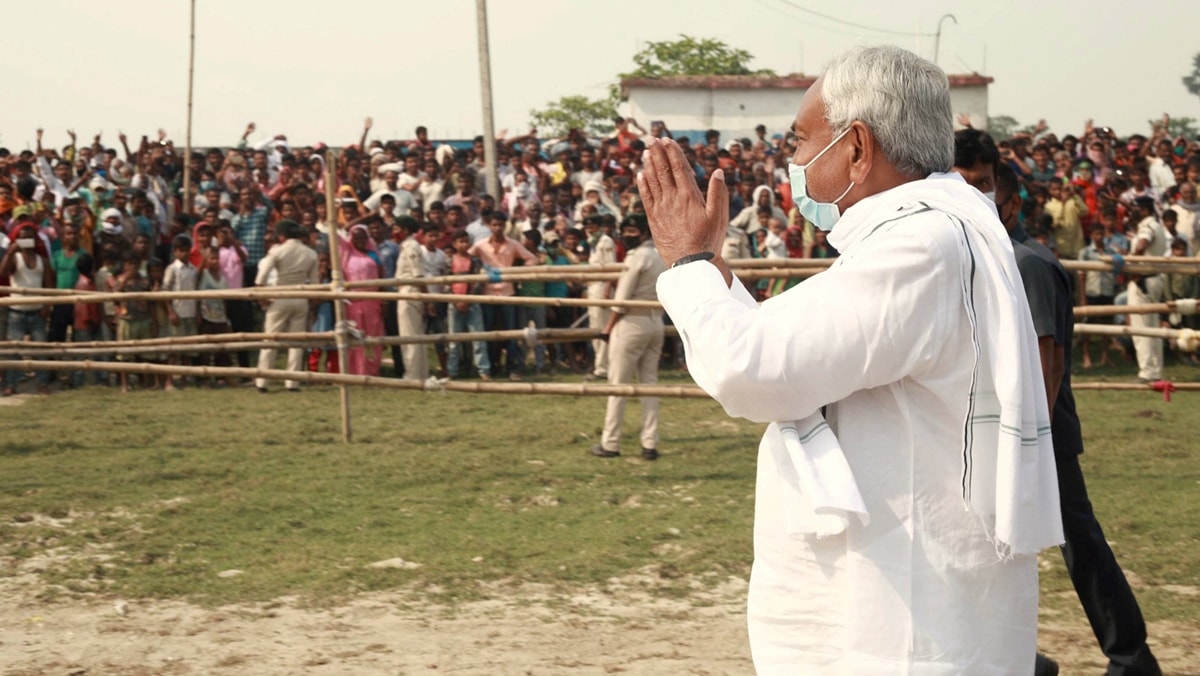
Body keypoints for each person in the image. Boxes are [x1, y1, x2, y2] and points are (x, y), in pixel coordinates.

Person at [643, 46, 1062, 673]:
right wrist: (711, 267)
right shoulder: (938, 231)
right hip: (911, 592)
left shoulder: (919, 245)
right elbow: (792, 346)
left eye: (800, 142)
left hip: (902, 614)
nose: (792, 164)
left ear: (858, 148)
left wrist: (686, 262)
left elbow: (753, 369)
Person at [988, 157, 1162, 676]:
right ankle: (1019, 658)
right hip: (1015, 432)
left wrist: (1030, 441)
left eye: (982, 189)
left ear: (1011, 204)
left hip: (1039, 436)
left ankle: (1130, 655)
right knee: (993, 547)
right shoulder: (998, 259)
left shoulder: (1027, 264)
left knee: (1079, 546)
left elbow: (1050, 362)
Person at [591, 214, 666, 461]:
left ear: (643, 232)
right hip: (656, 322)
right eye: (625, 231)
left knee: (617, 386)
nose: (627, 235)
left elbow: (621, 299)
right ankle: (650, 443)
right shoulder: (660, 255)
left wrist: (608, 328)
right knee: (650, 386)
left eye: (632, 231)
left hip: (632, 322)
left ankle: (610, 443)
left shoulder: (637, 257)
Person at [467, 210, 537, 379]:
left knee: (511, 331)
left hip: (507, 292)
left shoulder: (513, 244)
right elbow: (468, 257)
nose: (497, 228)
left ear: (505, 226)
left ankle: (513, 368)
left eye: (500, 225)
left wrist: (518, 272)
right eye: (494, 225)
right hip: (487, 292)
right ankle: (492, 366)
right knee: (489, 331)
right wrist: (478, 271)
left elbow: (531, 258)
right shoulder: (481, 245)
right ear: (489, 226)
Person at [254, 219, 319, 392]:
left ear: (281, 236)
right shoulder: (311, 253)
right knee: (296, 342)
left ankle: (263, 381)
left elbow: (261, 278)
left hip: (280, 297)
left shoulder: (277, 251)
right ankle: (293, 382)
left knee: (270, 339)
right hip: (300, 298)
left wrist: (262, 298)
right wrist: (312, 304)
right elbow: (315, 283)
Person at [1, 218, 55, 396]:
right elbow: (2, 273)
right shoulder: (14, 258)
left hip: (37, 311)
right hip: (16, 311)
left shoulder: (42, 261)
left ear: (35, 239)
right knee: (13, 351)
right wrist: (10, 252)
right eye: (22, 237)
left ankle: (42, 384)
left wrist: (47, 307)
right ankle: (11, 384)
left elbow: (49, 286)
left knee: (40, 350)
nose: (26, 240)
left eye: (29, 237)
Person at [1128, 196, 1168, 382]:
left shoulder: (1148, 226)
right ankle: (1155, 370)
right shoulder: (1156, 225)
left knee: (1141, 328)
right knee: (1152, 327)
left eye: (1136, 209)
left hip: (1143, 280)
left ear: (1144, 210)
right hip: (1153, 278)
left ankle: (1147, 372)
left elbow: (1142, 244)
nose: (1132, 212)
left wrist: (1132, 266)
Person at [339, 223, 384, 376]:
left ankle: (372, 371)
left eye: (362, 237)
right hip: (353, 302)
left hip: (373, 301)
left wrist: (383, 300)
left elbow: (382, 275)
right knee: (355, 336)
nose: (360, 241)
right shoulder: (346, 255)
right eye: (356, 237)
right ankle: (356, 371)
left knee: (373, 336)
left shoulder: (373, 255)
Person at [446, 230, 490, 380]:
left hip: (472, 302)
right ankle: (452, 371)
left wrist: (468, 300)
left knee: (478, 338)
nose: (464, 245)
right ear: (454, 244)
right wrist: (456, 301)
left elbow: (479, 283)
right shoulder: (449, 261)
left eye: (466, 241)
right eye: (461, 242)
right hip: (454, 303)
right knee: (453, 339)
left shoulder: (476, 261)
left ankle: (483, 370)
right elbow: (446, 284)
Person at [162, 235, 199, 391]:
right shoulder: (172, 269)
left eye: (187, 250)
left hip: (190, 312)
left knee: (188, 351)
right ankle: (169, 381)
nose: (184, 254)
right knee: (174, 350)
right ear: (175, 252)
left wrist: (197, 313)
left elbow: (196, 292)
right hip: (177, 312)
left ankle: (184, 380)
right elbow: (165, 292)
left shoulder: (193, 269)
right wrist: (171, 312)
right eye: (181, 251)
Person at [582, 214, 616, 381]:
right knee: (594, 327)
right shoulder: (593, 243)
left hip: (603, 287)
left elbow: (611, 267)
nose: (590, 230)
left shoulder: (605, 241)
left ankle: (603, 369)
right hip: (593, 287)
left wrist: (606, 292)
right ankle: (600, 365)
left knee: (603, 328)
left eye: (593, 227)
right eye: (588, 228)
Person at [393, 217, 427, 381]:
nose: (394, 232)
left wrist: (426, 298)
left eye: (397, 229)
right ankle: (418, 372)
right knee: (413, 334)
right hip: (405, 291)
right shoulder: (405, 246)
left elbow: (418, 275)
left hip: (409, 291)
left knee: (409, 335)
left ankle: (413, 374)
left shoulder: (411, 246)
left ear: (405, 230)